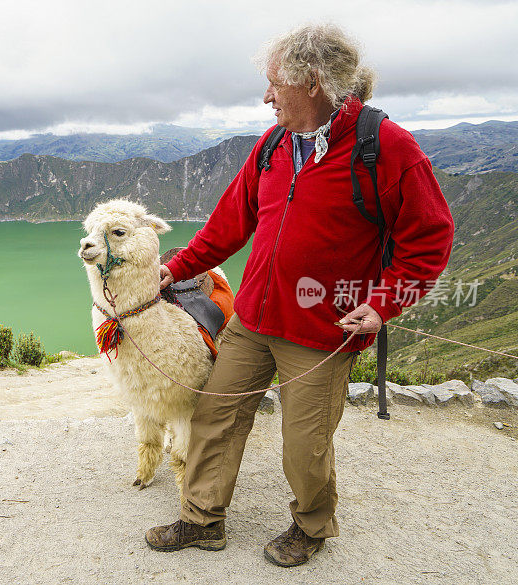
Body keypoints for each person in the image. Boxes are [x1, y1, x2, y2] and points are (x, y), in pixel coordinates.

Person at [144, 23, 454, 567]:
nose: (266, 96)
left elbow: (430, 238)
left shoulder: (385, 147)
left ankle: (312, 526)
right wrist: (177, 268)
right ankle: (202, 519)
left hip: (322, 328)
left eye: (274, 84)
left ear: (312, 82)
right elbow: (228, 224)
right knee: (217, 413)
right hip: (255, 316)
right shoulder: (273, 146)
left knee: (303, 443)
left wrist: (383, 304)